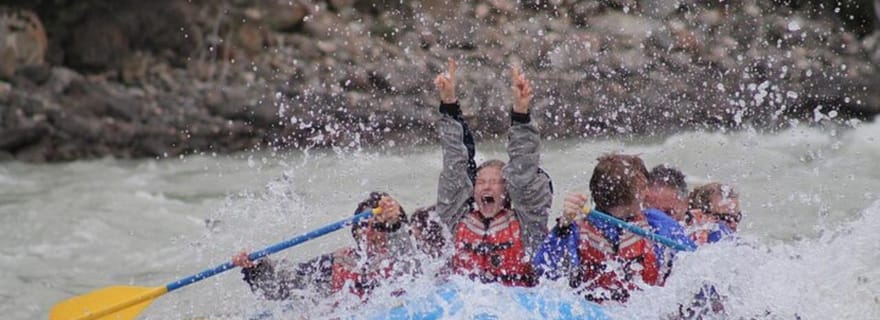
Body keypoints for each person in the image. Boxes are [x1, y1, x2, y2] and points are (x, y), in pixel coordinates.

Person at [434, 58, 552, 287]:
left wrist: (521, 113)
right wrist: (448, 105)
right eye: (480, 182)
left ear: (507, 190)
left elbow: (523, 171)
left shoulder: (530, 222)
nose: (486, 187)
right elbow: (454, 164)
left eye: (495, 182)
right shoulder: (455, 219)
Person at [533, 154, 694, 303]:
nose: (647, 193)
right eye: (644, 187)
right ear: (638, 191)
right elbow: (546, 274)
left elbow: (695, 261)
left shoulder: (655, 222)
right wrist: (563, 225)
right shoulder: (574, 229)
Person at [231, 192, 415, 301]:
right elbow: (279, 288)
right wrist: (255, 267)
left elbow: (403, 247)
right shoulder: (339, 263)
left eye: (376, 225)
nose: (368, 232)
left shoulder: (413, 254)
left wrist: (393, 223)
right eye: (362, 226)